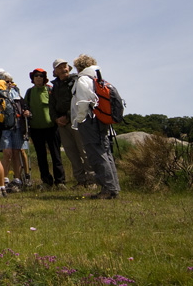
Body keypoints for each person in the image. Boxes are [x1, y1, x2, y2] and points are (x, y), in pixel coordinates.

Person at [71, 54, 121, 199]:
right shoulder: (98, 79)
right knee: (106, 153)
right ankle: (113, 187)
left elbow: (82, 103)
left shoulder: (83, 80)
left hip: (89, 120)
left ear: (79, 67)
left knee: (96, 154)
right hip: (100, 120)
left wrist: (79, 120)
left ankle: (107, 189)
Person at [49, 58, 96, 188]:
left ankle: (92, 180)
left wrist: (68, 117)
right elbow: (51, 105)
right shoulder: (55, 86)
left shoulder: (76, 81)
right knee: (71, 152)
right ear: (55, 71)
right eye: (60, 67)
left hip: (77, 121)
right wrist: (56, 119)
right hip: (62, 125)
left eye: (65, 66)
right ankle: (81, 180)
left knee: (84, 150)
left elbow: (79, 101)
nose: (64, 69)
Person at [24, 68, 66, 189]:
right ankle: (46, 181)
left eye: (41, 76)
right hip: (36, 129)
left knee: (55, 155)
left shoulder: (50, 90)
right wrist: (25, 111)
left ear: (44, 78)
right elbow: (25, 106)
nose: (38, 78)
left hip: (52, 128)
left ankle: (60, 181)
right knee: (41, 156)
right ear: (33, 78)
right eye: (36, 76)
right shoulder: (30, 92)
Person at [0, 71, 29, 193]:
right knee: (7, 152)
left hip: (17, 125)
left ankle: (17, 180)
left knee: (17, 152)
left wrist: (26, 112)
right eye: (6, 82)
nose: (9, 83)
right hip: (5, 126)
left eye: (10, 81)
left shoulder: (16, 93)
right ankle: (4, 180)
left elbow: (24, 106)